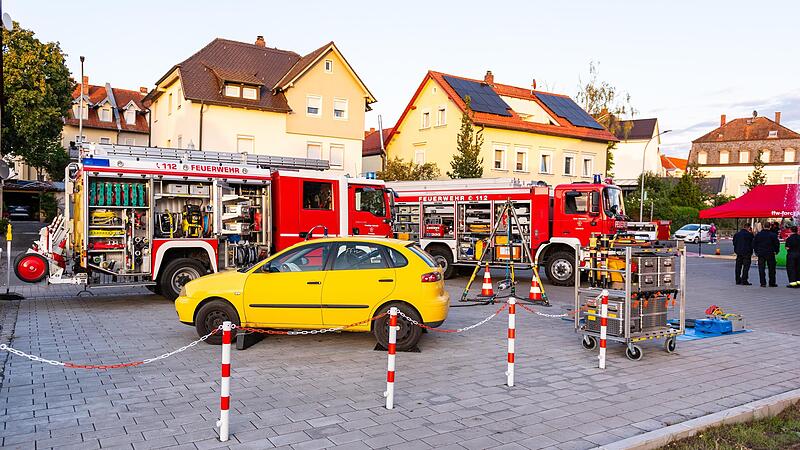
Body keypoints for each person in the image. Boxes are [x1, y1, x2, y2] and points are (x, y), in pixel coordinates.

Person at [753, 222, 780, 287]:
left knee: (761, 268)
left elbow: (754, 244)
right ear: (770, 226)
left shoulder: (758, 235)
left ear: (763, 226)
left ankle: (763, 283)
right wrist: (776, 251)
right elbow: (777, 244)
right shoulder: (773, 235)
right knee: (772, 269)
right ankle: (772, 282)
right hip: (770, 253)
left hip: (761, 253)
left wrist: (756, 252)